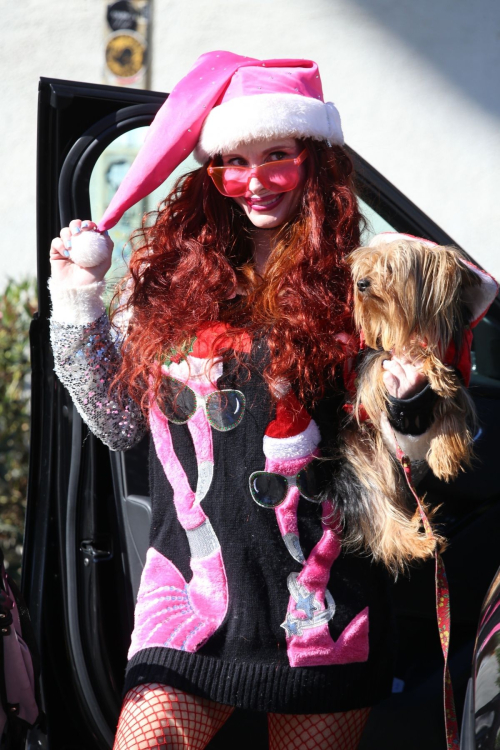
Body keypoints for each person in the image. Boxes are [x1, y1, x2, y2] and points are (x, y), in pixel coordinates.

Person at [47, 51, 493, 750]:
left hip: (322, 607)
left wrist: (409, 398)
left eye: (278, 156)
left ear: (313, 159)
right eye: (234, 162)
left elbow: (408, 449)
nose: (255, 182)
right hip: (192, 603)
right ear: (214, 172)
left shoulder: (361, 284)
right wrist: (79, 299)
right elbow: (117, 421)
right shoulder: (175, 284)